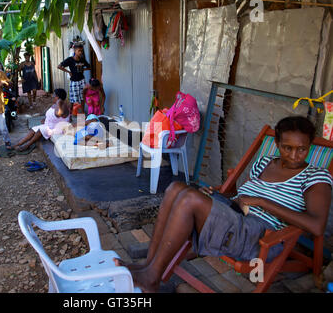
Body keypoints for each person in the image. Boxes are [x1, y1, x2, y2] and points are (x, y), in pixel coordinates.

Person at [114, 116, 333, 292]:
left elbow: (316, 226)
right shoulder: (265, 162)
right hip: (236, 214)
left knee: (189, 199)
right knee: (175, 189)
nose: (294, 155)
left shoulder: (316, 177)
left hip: (261, 236)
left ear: (310, 146)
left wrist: (262, 202)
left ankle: (151, 278)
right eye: (287, 148)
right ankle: (149, 266)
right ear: (277, 144)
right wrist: (215, 196)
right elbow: (244, 195)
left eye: (301, 149)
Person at [57, 44, 91, 115]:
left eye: (81, 51)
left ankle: (82, 114)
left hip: (82, 81)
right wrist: (68, 72)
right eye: (79, 51)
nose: (81, 52)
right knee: (73, 100)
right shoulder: (70, 60)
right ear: (75, 51)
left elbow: (89, 67)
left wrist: (83, 69)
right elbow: (59, 66)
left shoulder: (82, 59)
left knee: (82, 98)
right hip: (74, 81)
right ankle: (69, 115)